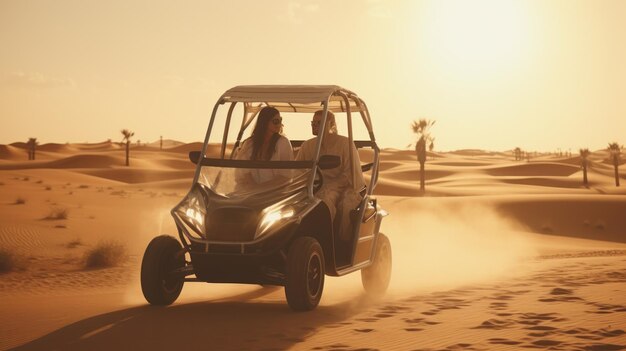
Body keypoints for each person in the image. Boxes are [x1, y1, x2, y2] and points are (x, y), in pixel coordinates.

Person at [296, 110, 365, 238]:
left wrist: (329, 185)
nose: (314, 125)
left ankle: (340, 243)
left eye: (319, 122)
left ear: (331, 124)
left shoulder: (345, 144)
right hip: (314, 186)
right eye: (313, 122)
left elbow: (350, 174)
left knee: (338, 203)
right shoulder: (307, 146)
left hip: (343, 187)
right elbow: (297, 172)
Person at [235, 106, 293, 188]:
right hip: (249, 190)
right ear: (265, 122)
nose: (279, 124)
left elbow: (286, 175)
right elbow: (243, 171)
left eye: (280, 120)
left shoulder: (283, 143)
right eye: (276, 121)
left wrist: (262, 188)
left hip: (275, 191)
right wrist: (254, 188)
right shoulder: (249, 143)